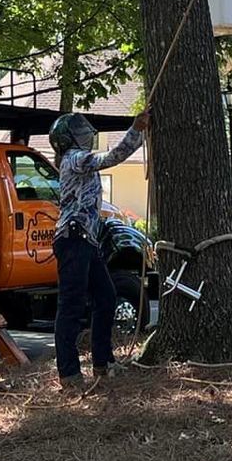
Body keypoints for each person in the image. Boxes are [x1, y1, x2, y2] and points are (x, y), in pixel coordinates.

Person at [46, 108, 150, 391]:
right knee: (71, 306)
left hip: (86, 241)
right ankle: (69, 374)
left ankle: (103, 363)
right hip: (73, 239)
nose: (86, 135)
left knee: (106, 297)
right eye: (80, 132)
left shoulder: (74, 159)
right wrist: (136, 130)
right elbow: (111, 157)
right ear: (69, 140)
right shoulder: (74, 159)